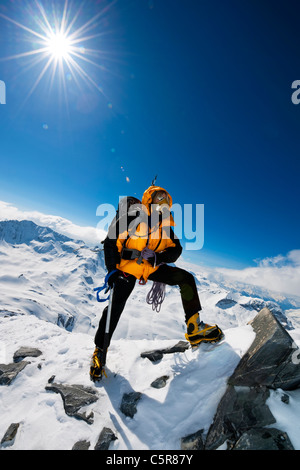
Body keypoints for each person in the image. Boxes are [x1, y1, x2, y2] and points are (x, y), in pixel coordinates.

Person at [90, 185, 223, 381]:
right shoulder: (133, 216)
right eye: (159, 199)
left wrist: (158, 257)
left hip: (151, 267)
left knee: (186, 279)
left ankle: (194, 327)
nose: (162, 204)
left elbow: (176, 249)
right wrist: (112, 269)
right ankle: (100, 351)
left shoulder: (165, 226)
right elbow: (111, 241)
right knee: (115, 307)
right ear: (149, 200)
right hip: (127, 268)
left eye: (165, 201)